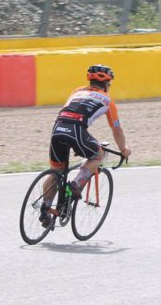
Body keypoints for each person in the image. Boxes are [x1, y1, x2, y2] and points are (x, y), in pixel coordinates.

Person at [41, 64, 131, 227]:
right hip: (76, 130)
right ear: (106, 84)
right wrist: (123, 150)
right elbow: (117, 130)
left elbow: (71, 112)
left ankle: (45, 208)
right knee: (98, 155)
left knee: (56, 172)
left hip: (57, 128)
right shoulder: (107, 100)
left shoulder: (77, 91)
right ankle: (76, 184)